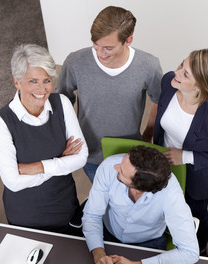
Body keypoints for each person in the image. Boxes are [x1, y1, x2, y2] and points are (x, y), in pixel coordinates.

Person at [57, 6, 163, 182]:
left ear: (128, 40)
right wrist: (66, 137)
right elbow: (61, 100)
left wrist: (147, 135)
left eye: (108, 48)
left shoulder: (149, 66)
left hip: (129, 156)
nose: (99, 54)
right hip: (90, 155)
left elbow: (160, 100)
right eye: (96, 45)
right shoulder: (75, 62)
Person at [0, 44, 88, 235]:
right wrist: (60, 161)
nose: (42, 89)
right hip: (26, 216)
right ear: (17, 82)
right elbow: (12, 182)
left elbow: (81, 156)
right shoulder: (2, 122)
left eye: (46, 80)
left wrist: (36, 167)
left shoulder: (62, 103)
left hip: (65, 207)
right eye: (33, 81)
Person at [153, 49, 208, 257]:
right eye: (181, 65)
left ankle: (206, 239)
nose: (176, 72)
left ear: (202, 85)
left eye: (185, 73)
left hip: (197, 175)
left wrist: (185, 157)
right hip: (166, 163)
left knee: (194, 212)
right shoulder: (168, 83)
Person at [82, 145, 199, 264]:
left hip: (149, 245)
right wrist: (98, 254)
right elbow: (92, 215)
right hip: (107, 237)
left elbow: (190, 252)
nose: (115, 167)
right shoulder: (108, 166)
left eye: (121, 171)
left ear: (139, 187)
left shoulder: (171, 195)